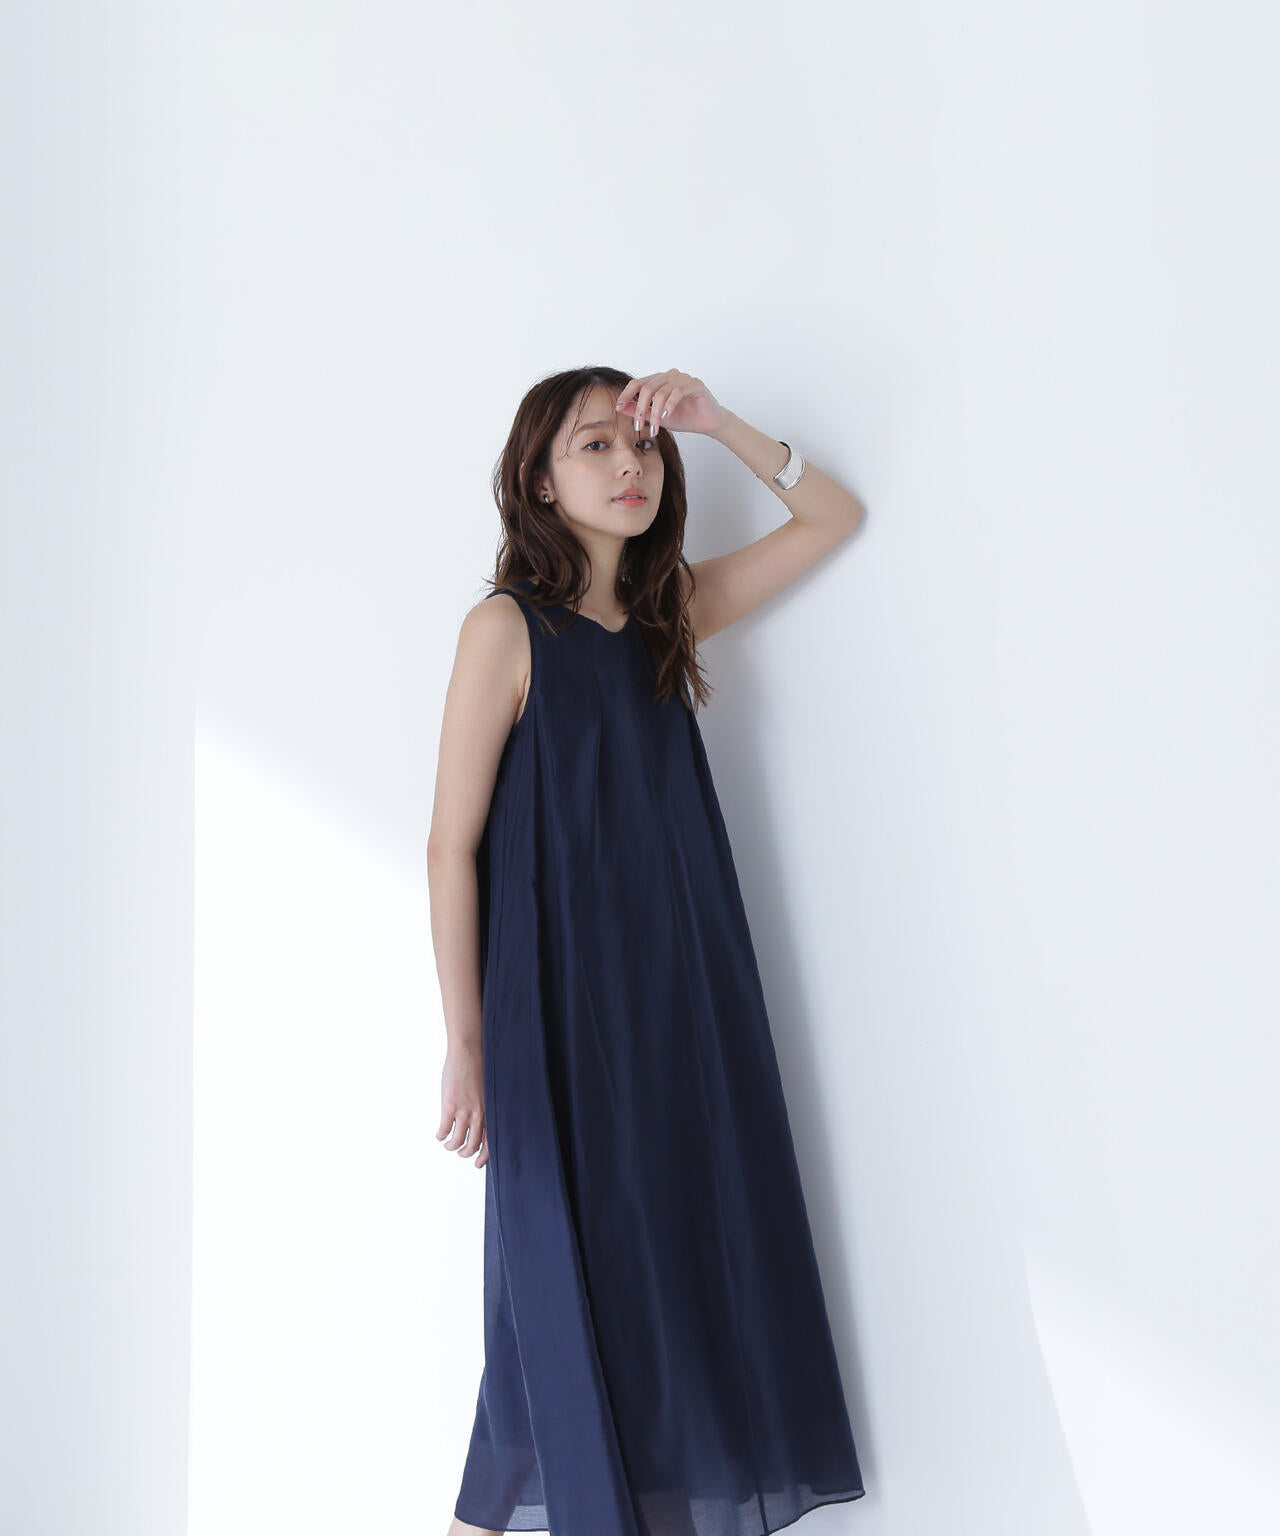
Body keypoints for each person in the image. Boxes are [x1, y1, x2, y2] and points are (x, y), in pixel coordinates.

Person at [427, 366, 867, 1536]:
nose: (630, 464)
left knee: (662, 1285)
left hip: (679, 1004)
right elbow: (448, 846)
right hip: (554, 1012)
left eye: (643, 446)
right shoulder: (504, 629)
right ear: (537, 479)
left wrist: (716, 424)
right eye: (595, 446)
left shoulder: (670, 610)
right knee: (549, 1292)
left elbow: (830, 517)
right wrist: (465, 1044)